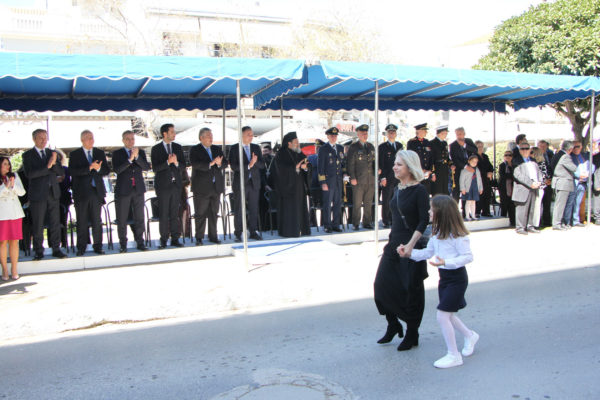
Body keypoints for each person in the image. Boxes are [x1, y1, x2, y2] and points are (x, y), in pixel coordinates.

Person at [401, 194, 479, 368]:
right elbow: (427, 253)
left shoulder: (458, 235)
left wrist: (446, 262)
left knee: (442, 316)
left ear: (442, 213)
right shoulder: (436, 234)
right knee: (448, 315)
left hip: (457, 279)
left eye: (432, 209)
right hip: (444, 279)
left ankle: (454, 355)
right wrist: (408, 253)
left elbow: (468, 257)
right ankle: (470, 335)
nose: (429, 212)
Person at [374, 150, 429, 352]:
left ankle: (412, 332)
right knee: (381, 286)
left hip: (411, 246)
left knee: (411, 290)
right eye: (395, 164)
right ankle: (393, 324)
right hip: (393, 245)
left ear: (410, 167)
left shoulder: (419, 191)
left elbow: (423, 221)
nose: (394, 167)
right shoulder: (398, 188)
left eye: (399, 164)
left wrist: (411, 245)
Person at [22, 129, 67, 260]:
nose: (43, 140)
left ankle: (56, 248)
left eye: (45, 138)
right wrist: (48, 166)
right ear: (34, 139)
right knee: (38, 224)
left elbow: (60, 171)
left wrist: (54, 162)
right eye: (40, 138)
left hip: (53, 192)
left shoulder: (51, 153)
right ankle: (38, 251)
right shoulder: (28, 155)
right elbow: (30, 174)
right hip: (38, 194)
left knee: (55, 222)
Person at [69, 130, 109, 256]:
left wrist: (99, 168)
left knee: (97, 221)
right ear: (82, 140)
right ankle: (81, 247)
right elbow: (73, 172)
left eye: (92, 137)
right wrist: (89, 168)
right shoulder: (75, 154)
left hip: (96, 192)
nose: (91, 140)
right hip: (81, 193)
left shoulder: (99, 153)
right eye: (88, 138)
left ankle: (98, 246)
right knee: (81, 221)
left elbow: (106, 170)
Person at [112, 130, 150, 252]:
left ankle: (140, 242)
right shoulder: (117, 153)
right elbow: (117, 170)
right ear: (123, 140)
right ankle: (123, 243)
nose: (130, 141)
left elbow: (146, 167)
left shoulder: (140, 152)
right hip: (124, 189)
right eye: (128, 139)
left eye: (132, 139)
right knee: (122, 218)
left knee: (139, 217)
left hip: (138, 189)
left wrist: (137, 157)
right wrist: (130, 159)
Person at [151, 123, 187, 248]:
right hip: (163, 186)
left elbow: (183, 166)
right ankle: (163, 239)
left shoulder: (177, 147)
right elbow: (155, 168)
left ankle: (175, 238)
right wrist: (167, 162)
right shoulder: (156, 149)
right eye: (172, 132)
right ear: (164, 134)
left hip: (176, 185)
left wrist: (176, 163)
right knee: (163, 213)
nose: (174, 134)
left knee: (174, 213)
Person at [189, 127, 227, 245]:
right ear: (201, 138)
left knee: (214, 213)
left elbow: (225, 163)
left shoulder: (216, 149)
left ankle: (213, 235)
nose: (211, 138)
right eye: (208, 136)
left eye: (211, 136)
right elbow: (195, 164)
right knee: (200, 213)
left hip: (216, 187)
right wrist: (210, 163)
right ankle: (199, 237)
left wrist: (220, 164)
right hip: (201, 188)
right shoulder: (195, 149)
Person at [229, 126, 264, 242]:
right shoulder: (235, 148)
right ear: (242, 135)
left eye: (252, 134)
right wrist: (249, 165)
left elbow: (262, 165)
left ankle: (253, 231)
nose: (251, 136)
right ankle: (238, 233)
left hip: (254, 182)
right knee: (239, 209)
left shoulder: (256, 147)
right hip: (241, 183)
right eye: (248, 134)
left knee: (254, 208)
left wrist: (255, 163)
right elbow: (234, 166)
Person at [273, 131, 311, 237]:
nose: (298, 144)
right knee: (290, 210)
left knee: (300, 208)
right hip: (287, 188)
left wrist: (306, 167)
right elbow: (280, 171)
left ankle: (302, 229)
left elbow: (307, 165)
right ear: (289, 143)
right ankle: (290, 231)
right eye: (296, 142)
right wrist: (295, 168)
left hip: (299, 187)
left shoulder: (299, 152)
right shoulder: (281, 154)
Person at [347, 124, 376, 230]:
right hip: (358, 180)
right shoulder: (354, 147)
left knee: (368, 203)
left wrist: (377, 170)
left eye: (366, 133)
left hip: (370, 179)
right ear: (358, 135)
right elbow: (350, 164)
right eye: (363, 133)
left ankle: (367, 222)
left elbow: (374, 161)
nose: (365, 135)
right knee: (357, 203)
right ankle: (355, 223)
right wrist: (352, 177)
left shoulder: (371, 146)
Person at [0, 157, 26, 280]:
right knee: (3, 242)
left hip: (15, 213)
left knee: (14, 241)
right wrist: (5, 187)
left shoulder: (14, 176)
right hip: (2, 214)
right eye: (5, 164)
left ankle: (14, 269)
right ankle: (4, 269)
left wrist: (13, 185)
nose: (8, 166)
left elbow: (22, 192)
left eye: (8, 164)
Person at [318, 127, 345, 233]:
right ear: (328, 136)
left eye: (335, 136)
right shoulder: (323, 149)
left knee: (337, 203)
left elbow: (342, 163)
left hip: (338, 180)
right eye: (332, 136)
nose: (334, 137)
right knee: (327, 204)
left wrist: (345, 173)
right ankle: (327, 225)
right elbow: (320, 167)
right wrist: (323, 182)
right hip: (328, 181)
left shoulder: (340, 148)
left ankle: (336, 224)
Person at [512, 142, 543, 235]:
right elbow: (518, 175)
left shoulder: (533, 160)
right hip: (523, 187)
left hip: (534, 187)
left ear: (530, 150)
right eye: (522, 149)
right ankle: (520, 227)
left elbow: (539, 172)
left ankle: (530, 226)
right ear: (519, 150)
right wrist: (530, 183)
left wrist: (539, 181)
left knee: (532, 208)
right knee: (522, 209)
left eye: (526, 148)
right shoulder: (516, 161)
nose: (525, 150)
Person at [378, 124, 403, 228]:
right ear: (387, 134)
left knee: (396, 198)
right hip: (387, 177)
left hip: (398, 177)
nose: (392, 134)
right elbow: (381, 163)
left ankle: (394, 218)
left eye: (393, 132)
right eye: (390, 132)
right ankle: (386, 219)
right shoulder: (382, 147)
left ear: (396, 134)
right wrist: (382, 177)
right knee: (387, 199)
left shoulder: (399, 146)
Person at [550, 140, 576, 230]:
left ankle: (558, 222)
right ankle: (557, 223)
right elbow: (573, 168)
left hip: (558, 182)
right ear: (570, 149)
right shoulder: (565, 156)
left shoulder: (557, 154)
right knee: (560, 205)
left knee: (559, 204)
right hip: (563, 183)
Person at [449, 127, 477, 208]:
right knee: (457, 190)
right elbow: (454, 159)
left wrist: (464, 145)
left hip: (470, 169)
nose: (459, 136)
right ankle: (455, 209)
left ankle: (466, 211)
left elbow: (475, 150)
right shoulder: (453, 145)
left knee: (467, 190)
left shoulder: (469, 141)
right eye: (457, 134)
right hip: (459, 169)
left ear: (464, 134)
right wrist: (465, 166)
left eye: (460, 134)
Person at [565, 140, 589, 227]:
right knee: (570, 202)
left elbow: (591, 166)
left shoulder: (585, 156)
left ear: (581, 147)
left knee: (578, 202)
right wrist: (579, 175)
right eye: (574, 147)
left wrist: (588, 173)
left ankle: (575, 220)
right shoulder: (569, 157)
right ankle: (567, 221)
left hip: (583, 182)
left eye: (577, 146)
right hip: (574, 182)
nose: (575, 149)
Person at [407, 123, 433, 194]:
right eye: (425, 131)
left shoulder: (427, 142)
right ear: (419, 131)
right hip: (416, 173)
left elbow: (430, 157)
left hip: (426, 174)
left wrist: (429, 170)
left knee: (425, 193)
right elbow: (410, 158)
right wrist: (419, 169)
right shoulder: (411, 142)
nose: (426, 132)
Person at [530, 147, 550, 229]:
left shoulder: (541, 164)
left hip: (539, 187)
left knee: (537, 206)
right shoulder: (531, 163)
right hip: (533, 187)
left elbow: (544, 176)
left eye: (531, 152)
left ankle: (535, 224)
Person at [459, 155, 483, 221]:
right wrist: (462, 188)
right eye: (473, 161)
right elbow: (461, 180)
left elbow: (480, 179)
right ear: (469, 161)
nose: (474, 163)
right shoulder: (464, 170)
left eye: (476, 162)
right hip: (468, 188)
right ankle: (467, 215)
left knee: (473, 202)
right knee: (468, 202)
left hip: (475, 188)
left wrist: (480, 188)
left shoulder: (477, 170)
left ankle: (473, 215)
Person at [430, 125, 451, 196]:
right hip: (437, 168)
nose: (446, 135)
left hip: (444, 168)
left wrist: (451, 164)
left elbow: (446, 156)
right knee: (437, 190)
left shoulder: (445, 143)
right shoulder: (432, 143)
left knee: (445, 190)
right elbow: (431, 159)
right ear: (439, 133)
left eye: (446, 133)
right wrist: (433, 173)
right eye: (444, 133)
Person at [474, 141, 494, 217]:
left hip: (486, 180)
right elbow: (476, 168)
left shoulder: (485, 156)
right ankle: (477, 212)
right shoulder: (474, 156)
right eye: (478, 146)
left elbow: (490, 166)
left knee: (487, 195)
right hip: (478, 179)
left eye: (481, 146)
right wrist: (485, 174)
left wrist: (490, 172)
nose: (480, 148)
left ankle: (486, 211)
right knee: (480, 195)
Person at [538, 140, 555, 227]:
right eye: (541, 146)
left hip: (549, 183)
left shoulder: (550, 154)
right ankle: (538, 221)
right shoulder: (536, 156)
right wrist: (543, 180)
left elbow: (552, 167)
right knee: (538, 204)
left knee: (547, 204)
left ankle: (547, 221)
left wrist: (550, 179)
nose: (543, 148)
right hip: (540, 184)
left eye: (544, 146)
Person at [498, 151, 516, 226]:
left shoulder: (515, 165)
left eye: (510, 155)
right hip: (503, 188)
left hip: (513, 188)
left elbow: (516, 175)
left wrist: (511, 176)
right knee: (504, 205)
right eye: (506, 155)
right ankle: (503, 222)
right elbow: (503, 175)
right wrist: (512, 176)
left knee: (512, 206)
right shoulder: (502, 165)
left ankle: (513, 222)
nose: (508, 156)